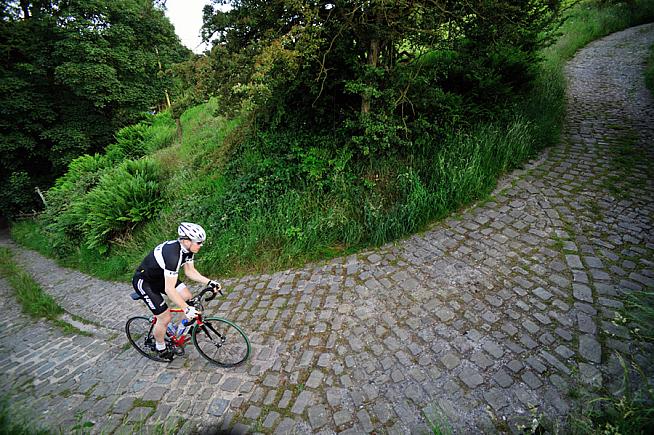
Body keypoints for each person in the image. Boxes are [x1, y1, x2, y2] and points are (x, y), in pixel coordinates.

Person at [132, 222, 220, 359]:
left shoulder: (188, 249)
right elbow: (169, 289)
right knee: (165, 317)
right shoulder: (173, 255)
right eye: (199, 242)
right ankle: (160, 347)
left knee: (187, 296)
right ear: (186, 240)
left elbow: (190, 271)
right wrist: (186, 309)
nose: (201, 245)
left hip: (161, 277)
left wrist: (210, 282)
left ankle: (183, 328)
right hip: (145, 282)